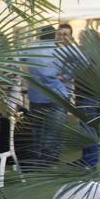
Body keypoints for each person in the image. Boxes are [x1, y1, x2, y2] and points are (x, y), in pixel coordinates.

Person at [23, 25, 70, 167]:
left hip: (36, 94)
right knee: (53, 128)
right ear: (55, 35)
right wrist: (66, 76)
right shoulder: (60, 50)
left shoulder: (30, 50)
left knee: (37, 127)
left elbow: (16, 61)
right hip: (57, 94)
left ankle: (38, 156)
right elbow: (82, 61)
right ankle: (49, 158)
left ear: (39, 36)